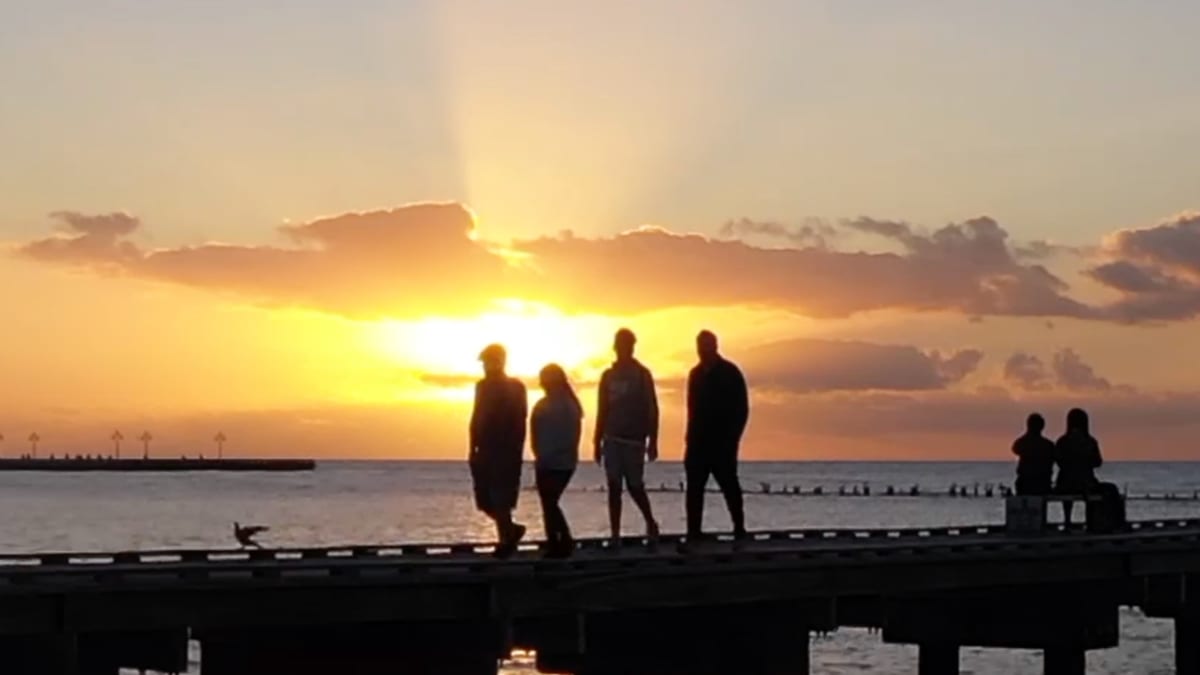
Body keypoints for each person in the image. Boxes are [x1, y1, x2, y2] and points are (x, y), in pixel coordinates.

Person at [682, 330, 749, 551]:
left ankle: (739, 529)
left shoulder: (730, 373)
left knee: (729, 485)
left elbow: (742, 409)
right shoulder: (695, 374)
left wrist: (733, 438)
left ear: (715, 346)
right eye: (699, 346)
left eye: (706, 346)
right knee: (694, 489)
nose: (702, 351)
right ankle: (693, 532)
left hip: (722, 443)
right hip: (698, 442)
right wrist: (689, 437)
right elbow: (691, 408)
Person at [594, 328, 661, 548]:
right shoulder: (608, 376)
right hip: (611, 438)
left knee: (635, 486)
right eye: (621, 345)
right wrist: (596, 441)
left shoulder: (642, 374)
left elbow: (652, 408)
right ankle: (615, 534)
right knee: (613, 487)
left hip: (634, 440)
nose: (624, 349)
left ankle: (650, 523)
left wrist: (653, 441)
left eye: (628, 345)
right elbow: (602, 409)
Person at [469, 343, 528, 558]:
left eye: (487, 362)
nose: (484, 366)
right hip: (485, 448)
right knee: (484, 500)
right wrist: (472, 446)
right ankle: (511, 531)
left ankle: (506, 540)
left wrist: (516, 449)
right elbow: (476, 417)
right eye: (483, 362)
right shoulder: (482, 386)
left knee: (501, 497)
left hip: (506, 449)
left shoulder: (515, 387)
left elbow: (521, 420)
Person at [531, 363, 582, 559]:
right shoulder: (543, 405)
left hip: (562, 461)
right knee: (548, 502)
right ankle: (555, 541)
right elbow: (534, 432)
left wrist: (556, 453)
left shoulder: (569, 406)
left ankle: (564, 541)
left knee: (550, 502)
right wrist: (539, 454)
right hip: (546, 460)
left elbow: (573, 436)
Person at [1054, 407, 1103, 526]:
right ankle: (1091, 522)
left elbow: (1058, 461)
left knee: (1067, 488)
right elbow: (1098, 462)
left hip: (1064, 483)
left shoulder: (1062, 441)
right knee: (1096, 491)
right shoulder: (1090, 441)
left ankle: (1067, 521)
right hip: (1086, 482)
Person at [1012, 413, 1055, 496]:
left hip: (1025, 484)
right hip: (1043, 485)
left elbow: (1015, 448)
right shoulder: (1048, 445)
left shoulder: (1022, 443)